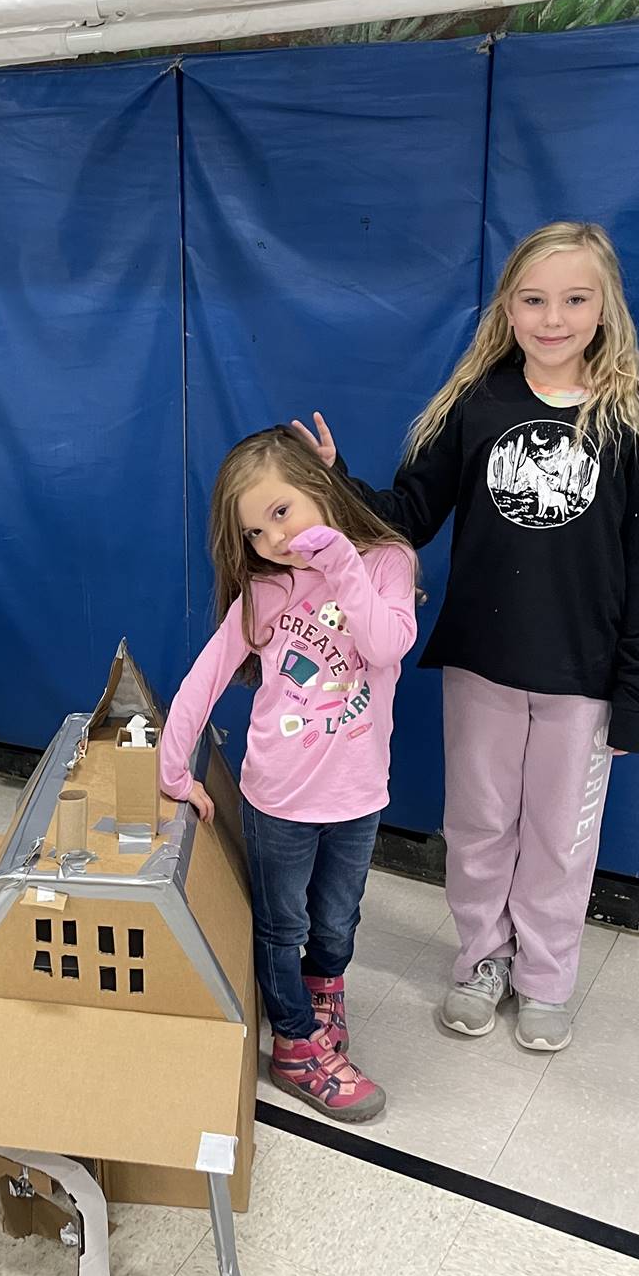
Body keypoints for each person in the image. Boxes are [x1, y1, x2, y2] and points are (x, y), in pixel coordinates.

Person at [294, 219, 639, 1053]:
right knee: (478, 826)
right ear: (508, 308)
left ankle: (545, 978)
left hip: (584, 675)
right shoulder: (479, 404)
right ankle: (483, 960)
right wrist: (333, 484)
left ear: (604, 306)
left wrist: (638, 689)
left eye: (575, 299)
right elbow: (407, 514)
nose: (554, 318)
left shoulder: (637, 420)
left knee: (561, 836)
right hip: (483, 662)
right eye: (535, 299)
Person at [158, 427, 418, 1121]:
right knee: (282, 924)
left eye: (282, 511)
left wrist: (339, 560)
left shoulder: (388, 561)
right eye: (255, 529)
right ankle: (297, 1045)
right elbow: (203, 680)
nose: (273, 537)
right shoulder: (266, 591)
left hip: (360, 792)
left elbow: (387, 644)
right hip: (277, 798)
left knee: (337, 916)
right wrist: (173, 770)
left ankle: (323, 986)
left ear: (320, 488)